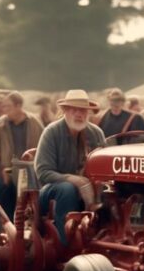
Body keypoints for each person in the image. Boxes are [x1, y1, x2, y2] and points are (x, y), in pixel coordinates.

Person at [35, 90, 106, 245]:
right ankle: (65, 244)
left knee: (112, 194)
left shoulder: (96, 133)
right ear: (65, 111)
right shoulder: (51, 132)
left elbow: (104, 168)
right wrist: (75, 180)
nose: (79, 114)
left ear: (88, 113)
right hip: (51, 191)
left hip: (89, 191)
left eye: (83, 110)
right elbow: (43, 172)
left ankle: (104, 241)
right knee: (68, 189)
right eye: (74, 109)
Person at [0, 91, 44, 218]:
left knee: (33, 207)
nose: (4, 110)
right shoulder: (1, 124)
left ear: (18, 106)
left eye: (8, 107)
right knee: (5, 202)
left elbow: (43, 147)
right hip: (7, 172)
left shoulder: (34, 123)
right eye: (3, 107)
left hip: (30, 172)